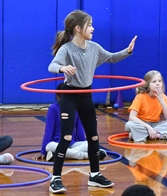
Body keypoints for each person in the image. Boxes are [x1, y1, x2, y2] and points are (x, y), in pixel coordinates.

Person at [47, 10, 137, 193]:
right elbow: (52, 66)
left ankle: (95, 175)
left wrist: (127, 51)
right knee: (66, 137)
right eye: (90, 25)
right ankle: (55, 178)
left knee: (94, 137)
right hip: (69, 96)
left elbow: (111, 57)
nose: (93, 28)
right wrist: (63, 67)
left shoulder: (94, 48)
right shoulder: (66, 49)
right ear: (78, 28)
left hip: (86, 96)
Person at [33, 83, 106, 162]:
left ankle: (57, 154)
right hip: (56, 143)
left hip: (72, 145)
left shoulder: (76, 108)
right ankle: (85, 156)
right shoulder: (53, 108)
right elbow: (48, 131)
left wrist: (87, 146)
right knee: (49, 146)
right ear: (58, 97)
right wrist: (43, 151)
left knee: (90, 144)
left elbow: (79, 130)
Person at [125, 70, 167, 142]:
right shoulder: (140, 96)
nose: (157, 84)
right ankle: (158, 135)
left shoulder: (163, 97)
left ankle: (144, 135)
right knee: (129, 125)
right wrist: (148, 127)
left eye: (159, 81)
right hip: (142, 124)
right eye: (154, 82)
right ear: (148, 84)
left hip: (156, 125)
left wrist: (162, 101)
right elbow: (131, 117)